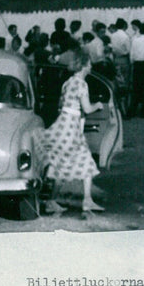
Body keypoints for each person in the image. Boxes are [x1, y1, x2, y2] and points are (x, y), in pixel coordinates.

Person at [39, 51, 105, 214]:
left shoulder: (68, 82)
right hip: (72, 127)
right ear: (83, 66)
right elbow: (88, 108)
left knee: (61, 163)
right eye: (89, 64)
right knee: (83, 163)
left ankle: (55, 201)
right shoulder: (82, 84)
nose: (90, 66)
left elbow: (61, 105)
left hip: (62, 124)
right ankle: (81, 201)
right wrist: (98, 105)